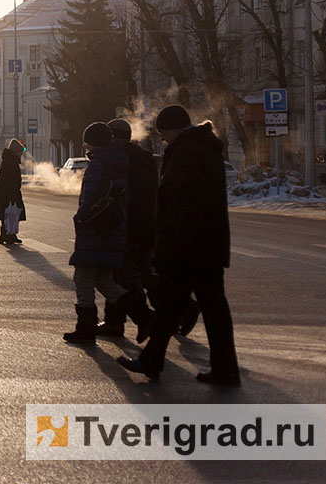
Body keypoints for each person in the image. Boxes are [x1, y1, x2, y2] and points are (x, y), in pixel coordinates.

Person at [118, 106, 241, 386]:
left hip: (190, 246)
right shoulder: (202, 148)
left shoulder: (187, 153)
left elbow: (179, 206)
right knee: (183, 306)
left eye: (164, 134)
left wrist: (165, 246)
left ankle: (221, 369)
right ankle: (219, 367)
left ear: (173, 129)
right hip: (205, 243)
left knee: (189, 306)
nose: (163, 140)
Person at [63, 122, 153, 345]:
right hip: (112, 230)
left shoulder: (98, 166)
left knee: (83, 279)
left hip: (95, 232)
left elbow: (90, 199)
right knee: (105, 282)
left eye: (87, 141)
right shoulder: (119, 162)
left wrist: (81, 219)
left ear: (92, 142)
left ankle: (85, 328)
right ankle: (145, 317)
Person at [96, 118, 158, 338]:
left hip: (127, 224)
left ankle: (133, 320)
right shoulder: (144, 157)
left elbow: (117, 194)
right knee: (139, 271)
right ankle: (116, 321)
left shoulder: (120, 158)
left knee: (120, 274)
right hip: (147, 222)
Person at [0, 138, 25, 245]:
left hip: (8, 192)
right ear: (15, 152)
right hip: (7, 193)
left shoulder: (10, 160)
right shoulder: (10, 162)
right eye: (20, 152)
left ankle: (9, 234)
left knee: (11, 213)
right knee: (9, 213)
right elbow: (7, 179)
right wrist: (11, 193)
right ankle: (6, 235)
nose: (21, 154)